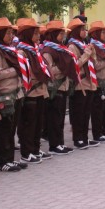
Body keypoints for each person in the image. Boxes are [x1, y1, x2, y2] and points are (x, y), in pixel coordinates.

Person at [0, 18, 26, 172]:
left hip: (15, 93)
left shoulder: (9, 49)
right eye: (8, 33)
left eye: (12, 33)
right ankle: (3, 161)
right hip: (4, 94)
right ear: (0, 33)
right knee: (4, 129)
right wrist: (16, 70)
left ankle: (10, 158)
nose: (11, 36)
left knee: (11, 129)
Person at [15, 18, 50, 164]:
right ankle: (26, 151)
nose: (38, 36)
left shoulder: (35, 49)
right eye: (35, 33)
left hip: (40, 90)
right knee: (28, 123)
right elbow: (24, 72)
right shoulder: (22, 51)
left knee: (38, 122)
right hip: (30, 91)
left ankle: (35, 148)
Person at [41, 20, 77, 155]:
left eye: (63, 33)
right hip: (54, 88)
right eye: (60, 33)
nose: (63, 36)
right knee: (54, 118)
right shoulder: (48, 50)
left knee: (61, 117)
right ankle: (54, 145)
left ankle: (60, 143)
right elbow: (49, 70)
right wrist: (64, 69)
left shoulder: (61, 48)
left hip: (63, 86)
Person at [67, 18, 98, 149]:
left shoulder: (84, 44)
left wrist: (93, 54)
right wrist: (86, 54)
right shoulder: (72, 46)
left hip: (89, 82)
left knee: (86, 112)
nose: (85, 32)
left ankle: (85, 137)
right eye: (82, 29)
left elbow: (94, 63)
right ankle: (78, 138)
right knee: (78, 112)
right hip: (80, 84)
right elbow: (76, 65)